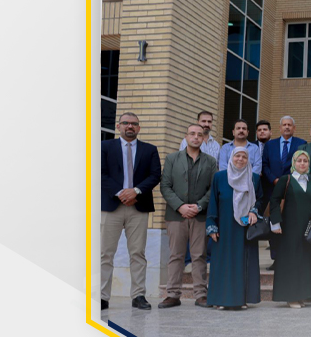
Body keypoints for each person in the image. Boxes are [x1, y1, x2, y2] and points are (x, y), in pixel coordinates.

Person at [101, 112, 161, 311]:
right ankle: (102, 296)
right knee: (105, 253)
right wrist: (121, 193)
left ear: (139, 128)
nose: (130, 126)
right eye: (126, 123)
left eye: (134, 124)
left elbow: (155, 175)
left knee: (137, 253)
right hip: (111, 206)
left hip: (138, 206)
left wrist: (135, 191)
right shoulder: (105, 147)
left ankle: (138, 295)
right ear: (118, 126)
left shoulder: (150, 150)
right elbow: (100, 173)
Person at [159, 124, 217, 309]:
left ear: (203, 139)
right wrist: (180, 206)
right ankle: (172, 294)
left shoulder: (210, 161)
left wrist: (199, 206)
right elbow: (165, 186)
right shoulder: (172, 159)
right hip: (176, 215)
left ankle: (201, 294)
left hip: (200, 216)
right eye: (192, 134)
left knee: (199, 255)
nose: (196, 137)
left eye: (199, 135)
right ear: (186, 136)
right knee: (176, 255)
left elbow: (213, 188)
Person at [206, 147, 264, 310]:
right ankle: (220, 299)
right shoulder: (220, 177)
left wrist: (254, 211)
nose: (240, 159)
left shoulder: (253, 178)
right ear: (231, 157)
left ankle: (241, 299)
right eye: (237, 156)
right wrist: (212, 226)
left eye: (244, 157)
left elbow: (260, 199)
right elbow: (213, 201)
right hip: (224, 227)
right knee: (223, 262)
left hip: (244, 227)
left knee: (242, 262)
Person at [269, 150, 311, 308]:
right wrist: (275, 222)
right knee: (290, 261)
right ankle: (291, 297)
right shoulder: (286, 180)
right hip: (289, 228)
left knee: (304, 261)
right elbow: (275, 201)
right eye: (299, 160)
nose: (302, 163)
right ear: (293, 163)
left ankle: (301, 295)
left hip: (308, 228)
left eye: (305, 161)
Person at [261, 116, 305, 269]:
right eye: (284, 125)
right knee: (274, 223)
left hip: (292, 189)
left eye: (289, 125)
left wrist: (288, 181)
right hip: (273, 189)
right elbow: (265, 165)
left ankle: (290, 258)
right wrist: (274, 179)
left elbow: (302, 164)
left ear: (294, 128)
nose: (287, 127)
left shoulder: (301, 144)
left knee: (290, 224)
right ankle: (276, 259)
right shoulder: (270, 145)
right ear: (279, 128)